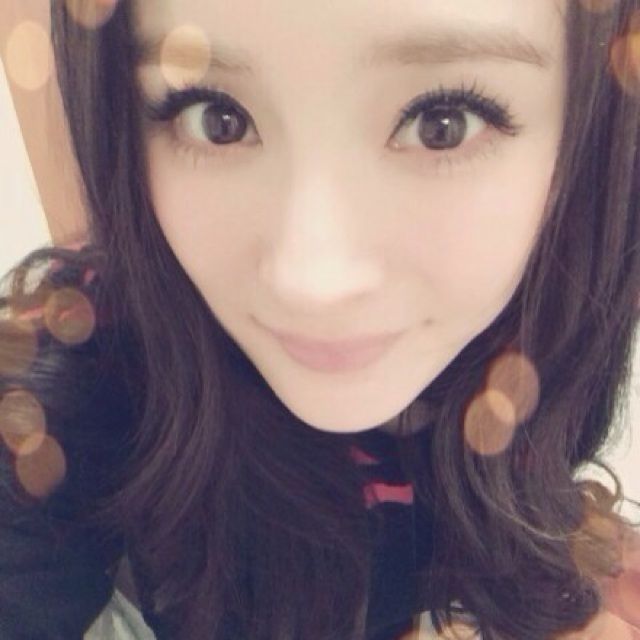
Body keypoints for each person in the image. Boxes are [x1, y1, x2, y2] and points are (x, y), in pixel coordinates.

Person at [1, 0, 640, 638]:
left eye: (441, 123)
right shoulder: (67, 408)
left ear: (588, 126)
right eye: (218, 120)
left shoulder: (545, 334)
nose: (312, 282)